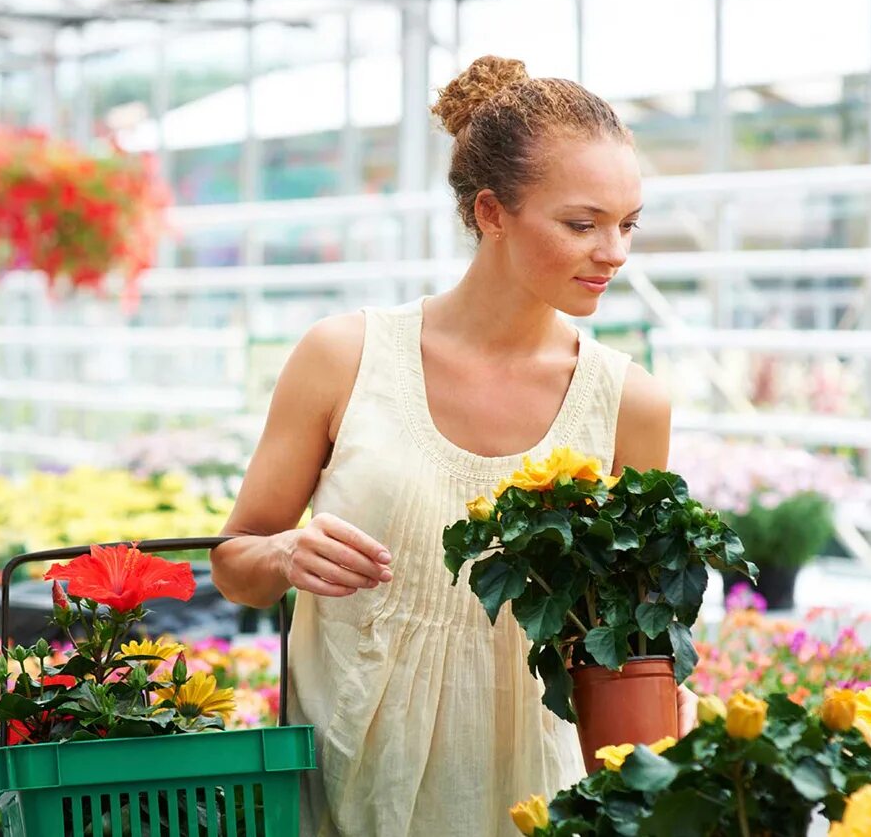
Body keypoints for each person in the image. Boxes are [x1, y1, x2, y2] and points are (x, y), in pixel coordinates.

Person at [210, 55, 697, 836]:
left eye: (628, 223)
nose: (616, 253)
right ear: (492, 213)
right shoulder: (345, 359)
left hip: (538, 791)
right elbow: (236, 561)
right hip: (354, 780)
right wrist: (285, 557)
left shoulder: (628, 403)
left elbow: (636, 636)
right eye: (582, 223)